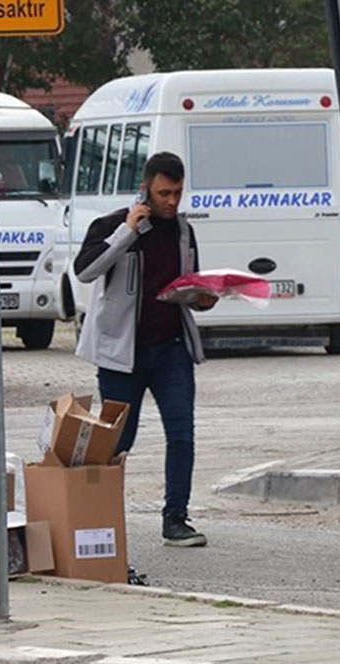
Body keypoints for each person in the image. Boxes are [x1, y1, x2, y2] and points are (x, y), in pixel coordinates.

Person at [73, 152, 216, 547]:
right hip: (122, 356)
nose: (172, 201)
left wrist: (201, 298)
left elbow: (188, 282)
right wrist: (127, 232)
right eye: (164, 193)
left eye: (178, 193)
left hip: (171, 349)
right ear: (146, 189)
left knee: (182, 434)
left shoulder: (183, 231)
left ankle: (176, 518)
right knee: (119, 441)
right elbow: (85, 271)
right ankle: (101, 519)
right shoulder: (111, 225)